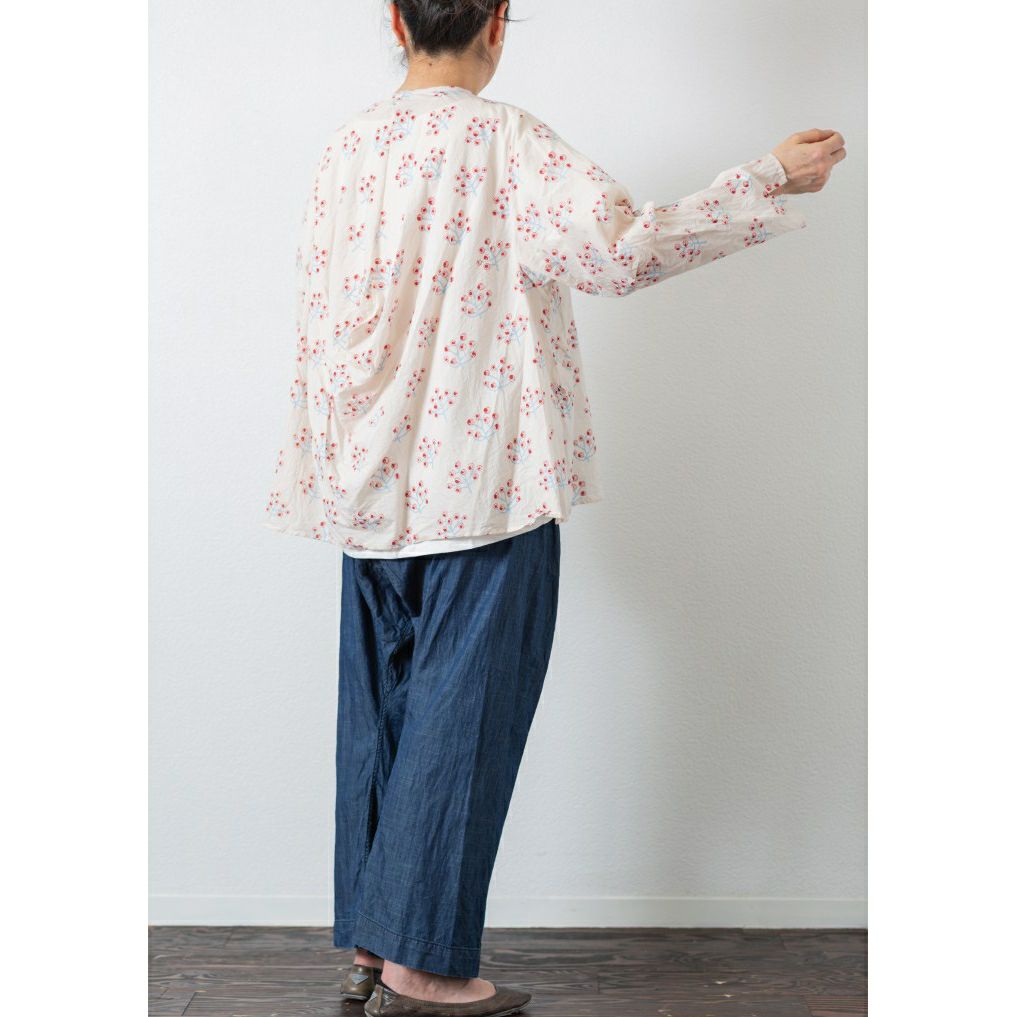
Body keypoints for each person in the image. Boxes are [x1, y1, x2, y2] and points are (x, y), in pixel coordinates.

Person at [264, 2, 846, 1014]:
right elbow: (619, 252)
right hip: (482, 478)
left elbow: (324, 315)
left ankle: (372, 942)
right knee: (462, 723)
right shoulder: (506, 141)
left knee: (384, 717)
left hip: (366, 479)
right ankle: (425, 965)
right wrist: (763, 178)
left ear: (395, 21)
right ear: (497, 23)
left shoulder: (346, 148)